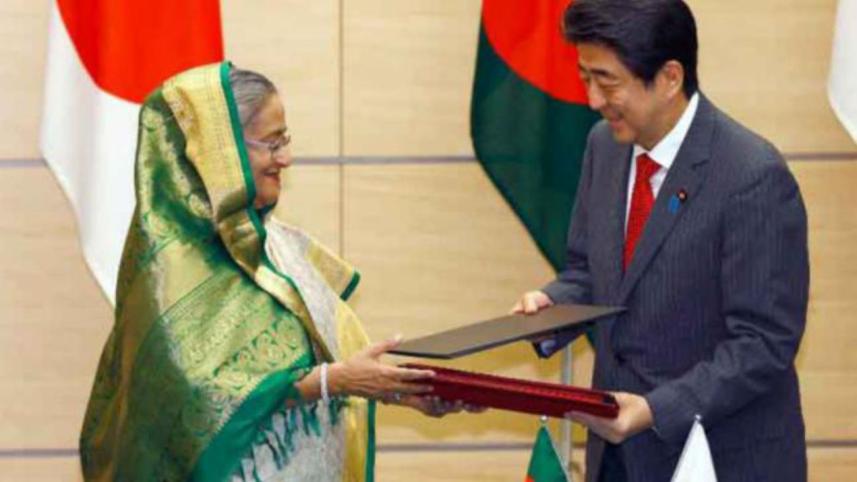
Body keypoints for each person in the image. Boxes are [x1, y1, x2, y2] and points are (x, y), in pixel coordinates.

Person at [79, 62, 464, 482]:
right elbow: (196, 398)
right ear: (217, 152)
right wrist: (333, 382)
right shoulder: (172, 265)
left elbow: (323, 365)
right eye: (272, 143)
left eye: (286, 140)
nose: (287, 158)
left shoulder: (281, 245)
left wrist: (397, 389)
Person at [512, 1, 809, 481]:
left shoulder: (752, 176)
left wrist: (653, 409)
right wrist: (552, 305)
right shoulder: (603, 146)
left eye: (606, 81)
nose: (591, 99)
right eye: (585, 77)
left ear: (669, 77)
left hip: (717, 458)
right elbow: (591, 270)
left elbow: (762, 343)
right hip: (616, 459)